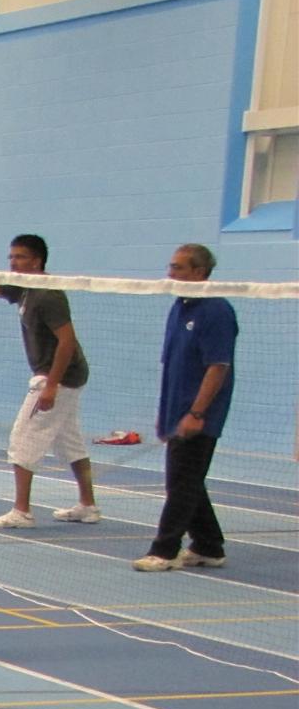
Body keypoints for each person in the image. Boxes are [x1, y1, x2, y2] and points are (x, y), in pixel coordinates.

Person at [0, 235, 101, 527]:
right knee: (70, 443)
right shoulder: (22, 287)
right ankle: (88, 505)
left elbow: (67, 341)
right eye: (11, 257)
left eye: (20, 257)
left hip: (60, 376)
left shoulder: (47, 294)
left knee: (22, 439)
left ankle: (22, 511)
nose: (13, 263)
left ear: (37, 261)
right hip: (58, 375)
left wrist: (51, 385)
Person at [135, 243, 235, 572]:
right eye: (171, 266)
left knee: (181, 482)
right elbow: (172, 364)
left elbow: (218, 367)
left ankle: (164, 551)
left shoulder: (216, 310)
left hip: (199, 414)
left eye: (178, 267)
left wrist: (197, 413)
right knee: (187, 480)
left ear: (199, 272)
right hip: (176, 409)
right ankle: (208, 545)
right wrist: (165, 415)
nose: (171, 273)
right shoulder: (179, 307)